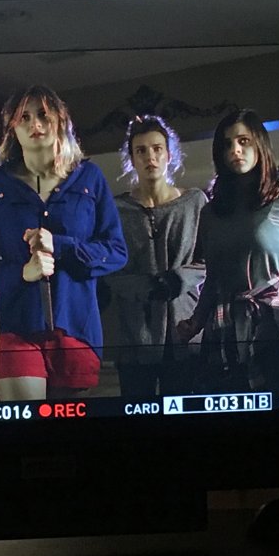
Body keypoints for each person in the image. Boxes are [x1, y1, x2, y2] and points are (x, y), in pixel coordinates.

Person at [0, 85, 127, 400]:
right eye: (24, 117)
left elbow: (116, 251)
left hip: (76, 325)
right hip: (16, 324)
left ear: (60, 120)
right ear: (12, 128)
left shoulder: (90, 177)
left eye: (43, 115)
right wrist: (21, 273)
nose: (35, 124)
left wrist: (61, 245)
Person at [177, 109, 279, 394]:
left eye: (243, 141)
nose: (235, 150)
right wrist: (195, 322)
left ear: (259, 143)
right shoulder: (211, 212)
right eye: (227, 144)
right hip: (225, 329)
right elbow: (213, 278)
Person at [102, 115, 206, 396]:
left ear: (169, 155)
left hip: (184, 329)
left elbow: (208, 259)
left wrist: (177, 279)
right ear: (132, 159)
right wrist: (145, 287)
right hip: (135, 333)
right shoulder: (116, 209)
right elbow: (109, 268)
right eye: (141, 150)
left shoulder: (194, 203)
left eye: (157, 148)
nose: (150, 157)